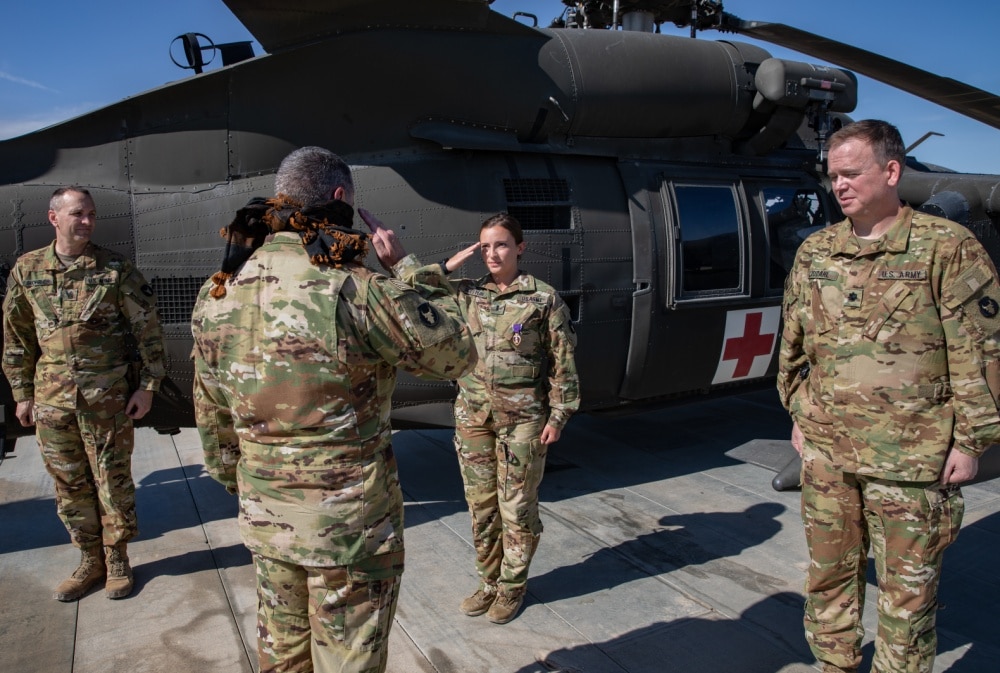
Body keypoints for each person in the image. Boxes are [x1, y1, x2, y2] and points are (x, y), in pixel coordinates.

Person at [190, 146, 476, 673]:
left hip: (267, 518)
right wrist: (408, 269)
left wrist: (250, 485)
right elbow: (456, 354)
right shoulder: (357, 287)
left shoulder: (219, 291)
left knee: (283, 655)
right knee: (348, 658)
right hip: (349, 529)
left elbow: (211, 415)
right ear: (340, 197)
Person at [777, 120, 1000, 673]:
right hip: (827, 452)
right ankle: (835, 664)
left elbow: (980, 352)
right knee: (828, 576)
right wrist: (799, 411)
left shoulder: (946, 247)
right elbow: (795, 344)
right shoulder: (817, 251)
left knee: (907, 596)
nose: (839, 185)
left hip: (911, 461)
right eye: (834, 175)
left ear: (892, 171)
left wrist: (971, 441)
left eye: (852, 173)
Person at [399, 213, 580, 624]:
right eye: (485, 246)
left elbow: (563, 363)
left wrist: (559, 415)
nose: (492, 254)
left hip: (523, 420)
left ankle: (512, 587)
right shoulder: (468, 294)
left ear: (520, 247)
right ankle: (488, 582)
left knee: (516, 507)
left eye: (501, 244)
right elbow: (413, 287)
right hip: (474, 416)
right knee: (481, 506)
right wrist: (448, 266)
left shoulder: (543, 299)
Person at [2, 186, 166, 601]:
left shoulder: (114, 269)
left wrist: (148, 387)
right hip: (52, 402)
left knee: (112, 482)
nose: (88, 221)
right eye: (78, 214)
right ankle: (89, 560)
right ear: (54, 217)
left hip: (106, 400)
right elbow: (17, 337)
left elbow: (147, 329)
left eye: (91, 214)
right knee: (69, 485)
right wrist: (22, 393)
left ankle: (117, 559)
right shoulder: (27, 269)